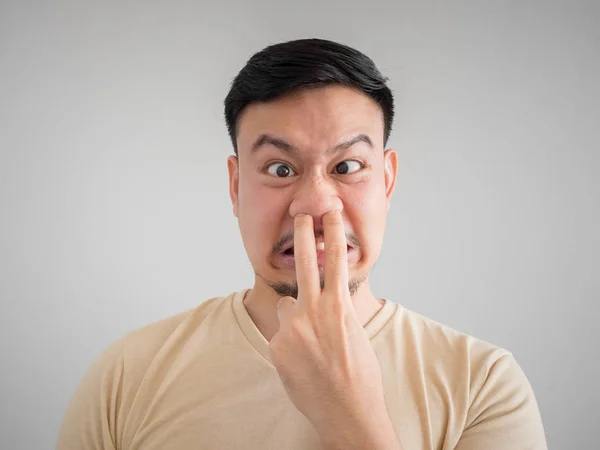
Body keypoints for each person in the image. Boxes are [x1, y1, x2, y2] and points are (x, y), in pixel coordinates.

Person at [56, 38, 548, 450]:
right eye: (280, 169)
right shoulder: (128, 374)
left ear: (388, 182)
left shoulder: (482, 384)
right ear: (235, 187)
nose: (314, 204)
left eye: (347, 167)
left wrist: (352, 414)